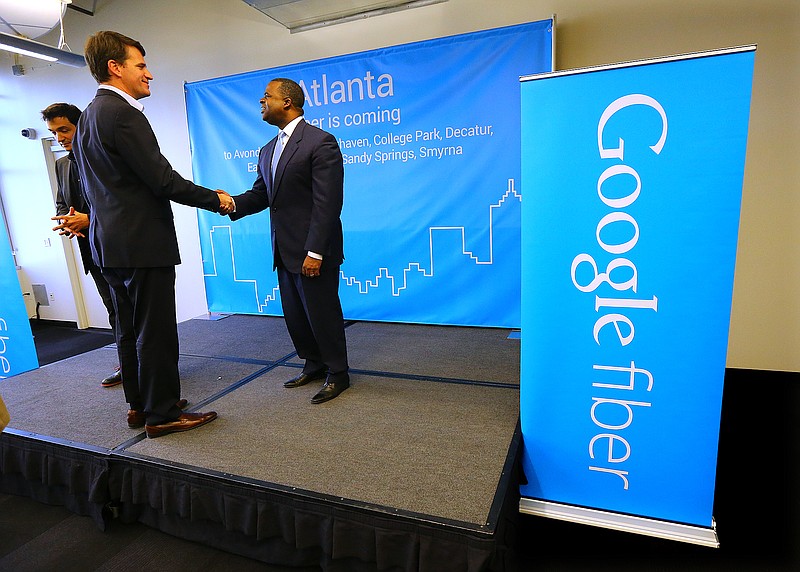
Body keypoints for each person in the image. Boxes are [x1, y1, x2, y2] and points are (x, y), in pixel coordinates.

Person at [72, 30, 232, 438]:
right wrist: (217, 199)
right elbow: (163, 181)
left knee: (128, 330)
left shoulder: (89, 115)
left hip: (108, 245)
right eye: (140, 65)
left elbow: (96, 188)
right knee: (156, 332)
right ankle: (163, 415)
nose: (149, 74)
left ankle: (140, 405)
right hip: (143, 244)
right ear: (115, 67)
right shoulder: (124, 114)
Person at [227, 78, 349, 404]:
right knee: (296, 314)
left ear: (288, 102)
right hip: (283, 249)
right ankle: (313, 362)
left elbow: (328, 204)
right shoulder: (268, 150)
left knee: (322, 313)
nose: (261, 101)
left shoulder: (320, 142)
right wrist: (232, 203)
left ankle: (338, 373)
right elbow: (262, 195)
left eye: (267, 96)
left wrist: (315, 251)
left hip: (312, 251)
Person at [43, 103, 122, 388]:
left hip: (120, 248)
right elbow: (63, 204)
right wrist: (68, 221)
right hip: (91, 251)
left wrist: (89, 219)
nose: (60, 137)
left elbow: (121, 202)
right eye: (54, 132)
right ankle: (128, 364)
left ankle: (151, 365)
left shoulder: (101, 157)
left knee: (135, 310)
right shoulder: (61, 164)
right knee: (113, 310)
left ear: (81, 127)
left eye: (64, 130)